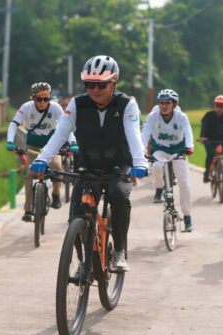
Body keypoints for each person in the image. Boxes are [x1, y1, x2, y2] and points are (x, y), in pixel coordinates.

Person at [30, 55, 148, 272]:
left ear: (114, 82)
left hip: (118, 166)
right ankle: (83, 261)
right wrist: (42, 159)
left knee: (119, 196)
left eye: (101, 85)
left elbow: (134, 135)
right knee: (76, 214)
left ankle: (119, 251)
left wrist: (140, 162)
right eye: (89, 84)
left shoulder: (127, 104)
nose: (94, 90)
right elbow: (59, 134)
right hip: (87, 166)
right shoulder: (77, 104)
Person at [6, 82, 77, 222]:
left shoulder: (56, 108)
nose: (43, 102)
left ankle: (56, 194)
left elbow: (66, 126)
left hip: (51, 147)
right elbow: (14, 124)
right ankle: (27, 210)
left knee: (57, 168)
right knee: (30, 175)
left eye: (46, 99)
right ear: (33, 98)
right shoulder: (26, 107)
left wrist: (73, 143)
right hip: (32, 147)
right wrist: (10, 141)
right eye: (39, 99)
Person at [142, 89, 195, 232]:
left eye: (167, 103)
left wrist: (189, 146)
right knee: (156, 167)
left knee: (184, 184)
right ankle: (160, 187)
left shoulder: (181, 116)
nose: (164, 106)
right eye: (161, 103)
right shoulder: (154, 116)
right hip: (160, 150)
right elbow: (145, 131)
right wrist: (141, 150)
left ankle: (188, 217)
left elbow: (188, 131)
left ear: (174, 104)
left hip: (179, 150)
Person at [200, 95, 223, 183]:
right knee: (210, 155)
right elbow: (204, 126)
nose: (219, 108)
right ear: (214, 106)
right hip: (209, 140)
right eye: (217, 106)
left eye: (221, 106)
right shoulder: (209, 114)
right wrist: (203, 137)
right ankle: (207, 173)